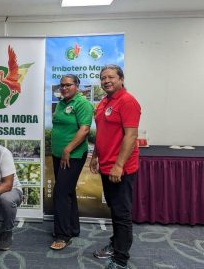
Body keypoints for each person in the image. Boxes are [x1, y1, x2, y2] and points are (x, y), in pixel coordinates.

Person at [90, 64, 141, 269]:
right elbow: (102, 133)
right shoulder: (104, 102)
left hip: (121, 168)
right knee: (114, 209)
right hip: (106, 166)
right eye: (103, 78)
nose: (106, 81)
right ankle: (115, 243)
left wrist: (119, 165)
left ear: (121, 79)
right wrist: (95, 156)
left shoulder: (128, 102)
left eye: (111, 77)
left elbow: (131, 136)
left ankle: (121, 260)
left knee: (122, 213)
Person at [50, 74, 93, 250]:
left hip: (73, 155)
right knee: (67, 192)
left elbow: (84, 129)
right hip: (58, 155)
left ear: (77, 86)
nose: (64, 88)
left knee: (60, 193)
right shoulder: (61, 103)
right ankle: (73, 228)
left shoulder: (83, 104)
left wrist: (68, 149)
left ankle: (63, 235)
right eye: (62, 85)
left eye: (68, 85)